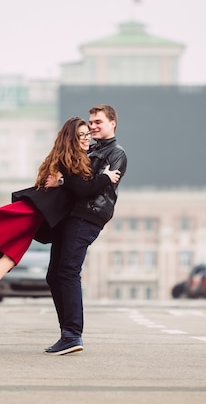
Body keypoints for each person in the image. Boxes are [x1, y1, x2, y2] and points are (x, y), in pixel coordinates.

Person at [0, 117, 121, 321]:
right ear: (70, 138)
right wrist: (105, 178)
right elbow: (80, 189)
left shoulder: (77, 157)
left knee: (10, 256)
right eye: (81, 135)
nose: (86, 138)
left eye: (87, 134)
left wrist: (65, 181)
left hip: (41, 218)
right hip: (35, 210)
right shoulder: (70, 159)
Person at [43, 104, 128, 356]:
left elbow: (86, 186)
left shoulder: (116, 153)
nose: (93, 126)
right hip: (70, 215)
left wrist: (68, 181)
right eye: (91, 122)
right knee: (53, 275)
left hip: (88, 215)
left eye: (98, 122)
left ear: (112, 123)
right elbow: (78, 180)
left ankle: (72, 334)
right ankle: (66, 333)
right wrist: (66, 180)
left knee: (68, 271)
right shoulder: (89, 149)